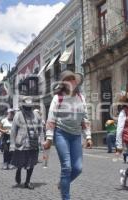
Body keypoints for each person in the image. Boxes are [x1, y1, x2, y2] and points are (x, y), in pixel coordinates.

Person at [43, 70, 92, 200]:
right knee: (67, 167)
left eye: (73, 79)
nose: (72, 82)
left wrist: (88, 136)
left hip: (76, 135)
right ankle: (66, 197)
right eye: (68, 79)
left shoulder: (81, 97)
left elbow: (85, 118)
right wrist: (49, 138)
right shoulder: (58, 98)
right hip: (61, 134)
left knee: (78, 168)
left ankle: (62, 183)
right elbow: (51, 119)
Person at [10, 96, 42, 189]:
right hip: (21, 144)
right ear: (23, 106)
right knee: (20, 162)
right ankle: (18, 170)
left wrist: (41, 140)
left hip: (33, 143)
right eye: (26, 106)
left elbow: (41, 129)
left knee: (31, 163)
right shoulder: (18, 115)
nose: (28, 108)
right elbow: (13, 131)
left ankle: (27, 181)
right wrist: (12, 145)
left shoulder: (36, 115)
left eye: (29, 106)